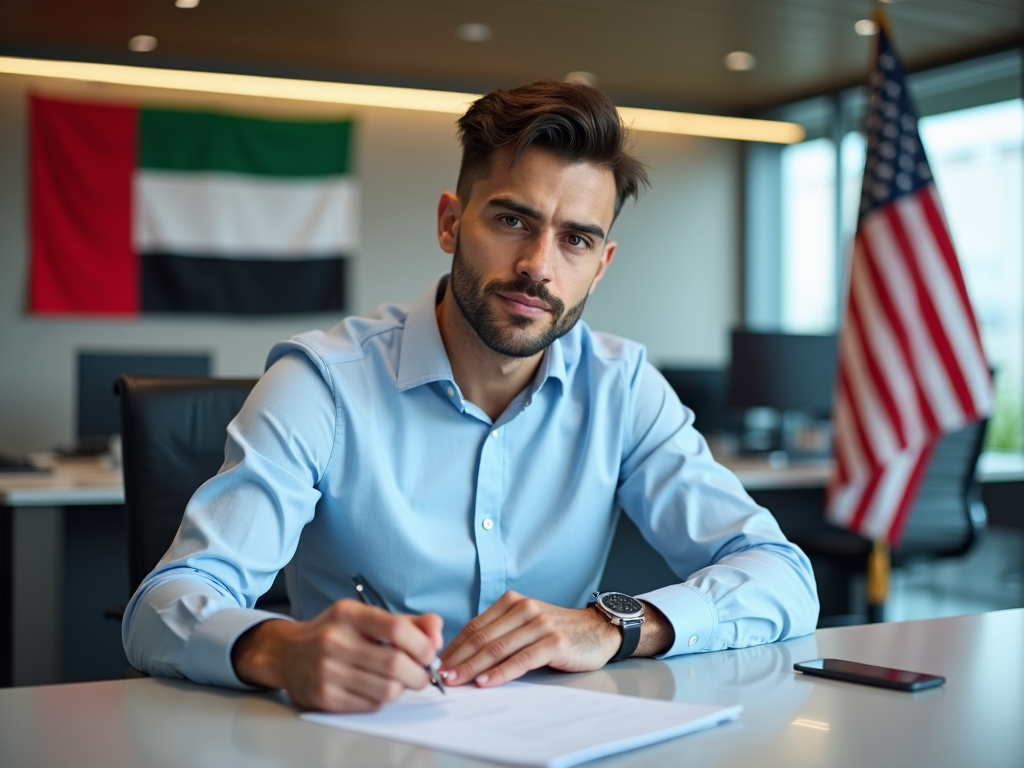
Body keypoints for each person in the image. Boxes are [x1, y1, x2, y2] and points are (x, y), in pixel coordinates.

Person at [122, 80, 819, 713]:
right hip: (356, 742)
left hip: (550, 740)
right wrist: (278, 649)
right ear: (452, 222)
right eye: (512, 221)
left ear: (600, 267)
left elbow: (783, 579)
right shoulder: (323, 383)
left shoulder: (623, 387)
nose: (537, 268)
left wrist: (615, 625)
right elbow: (166, 605)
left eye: (574, 240)